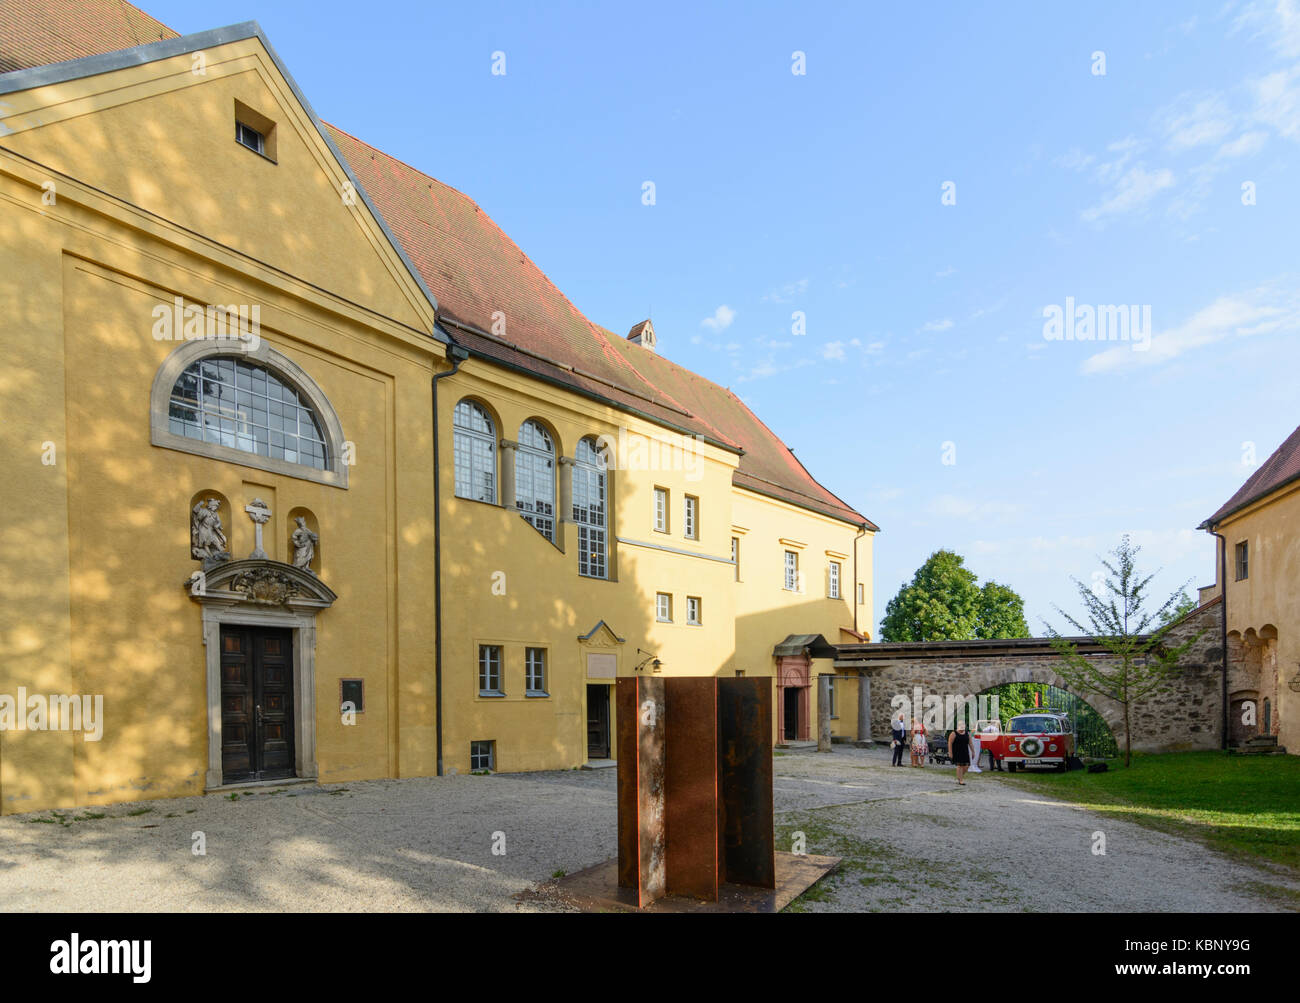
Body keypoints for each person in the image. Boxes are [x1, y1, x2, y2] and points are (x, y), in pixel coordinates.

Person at [949, 721, 973, 785]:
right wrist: (950, 753)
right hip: (957, 751)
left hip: (965, 751)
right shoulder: (954, 733)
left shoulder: (967, 733)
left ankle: (959, 776)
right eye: (961, 725)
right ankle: (961, 780)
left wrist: (973, 751)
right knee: (959, 765)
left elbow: (970, 743)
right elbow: (950, 743)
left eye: (963, 725)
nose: (962, 726)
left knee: (966, 766)